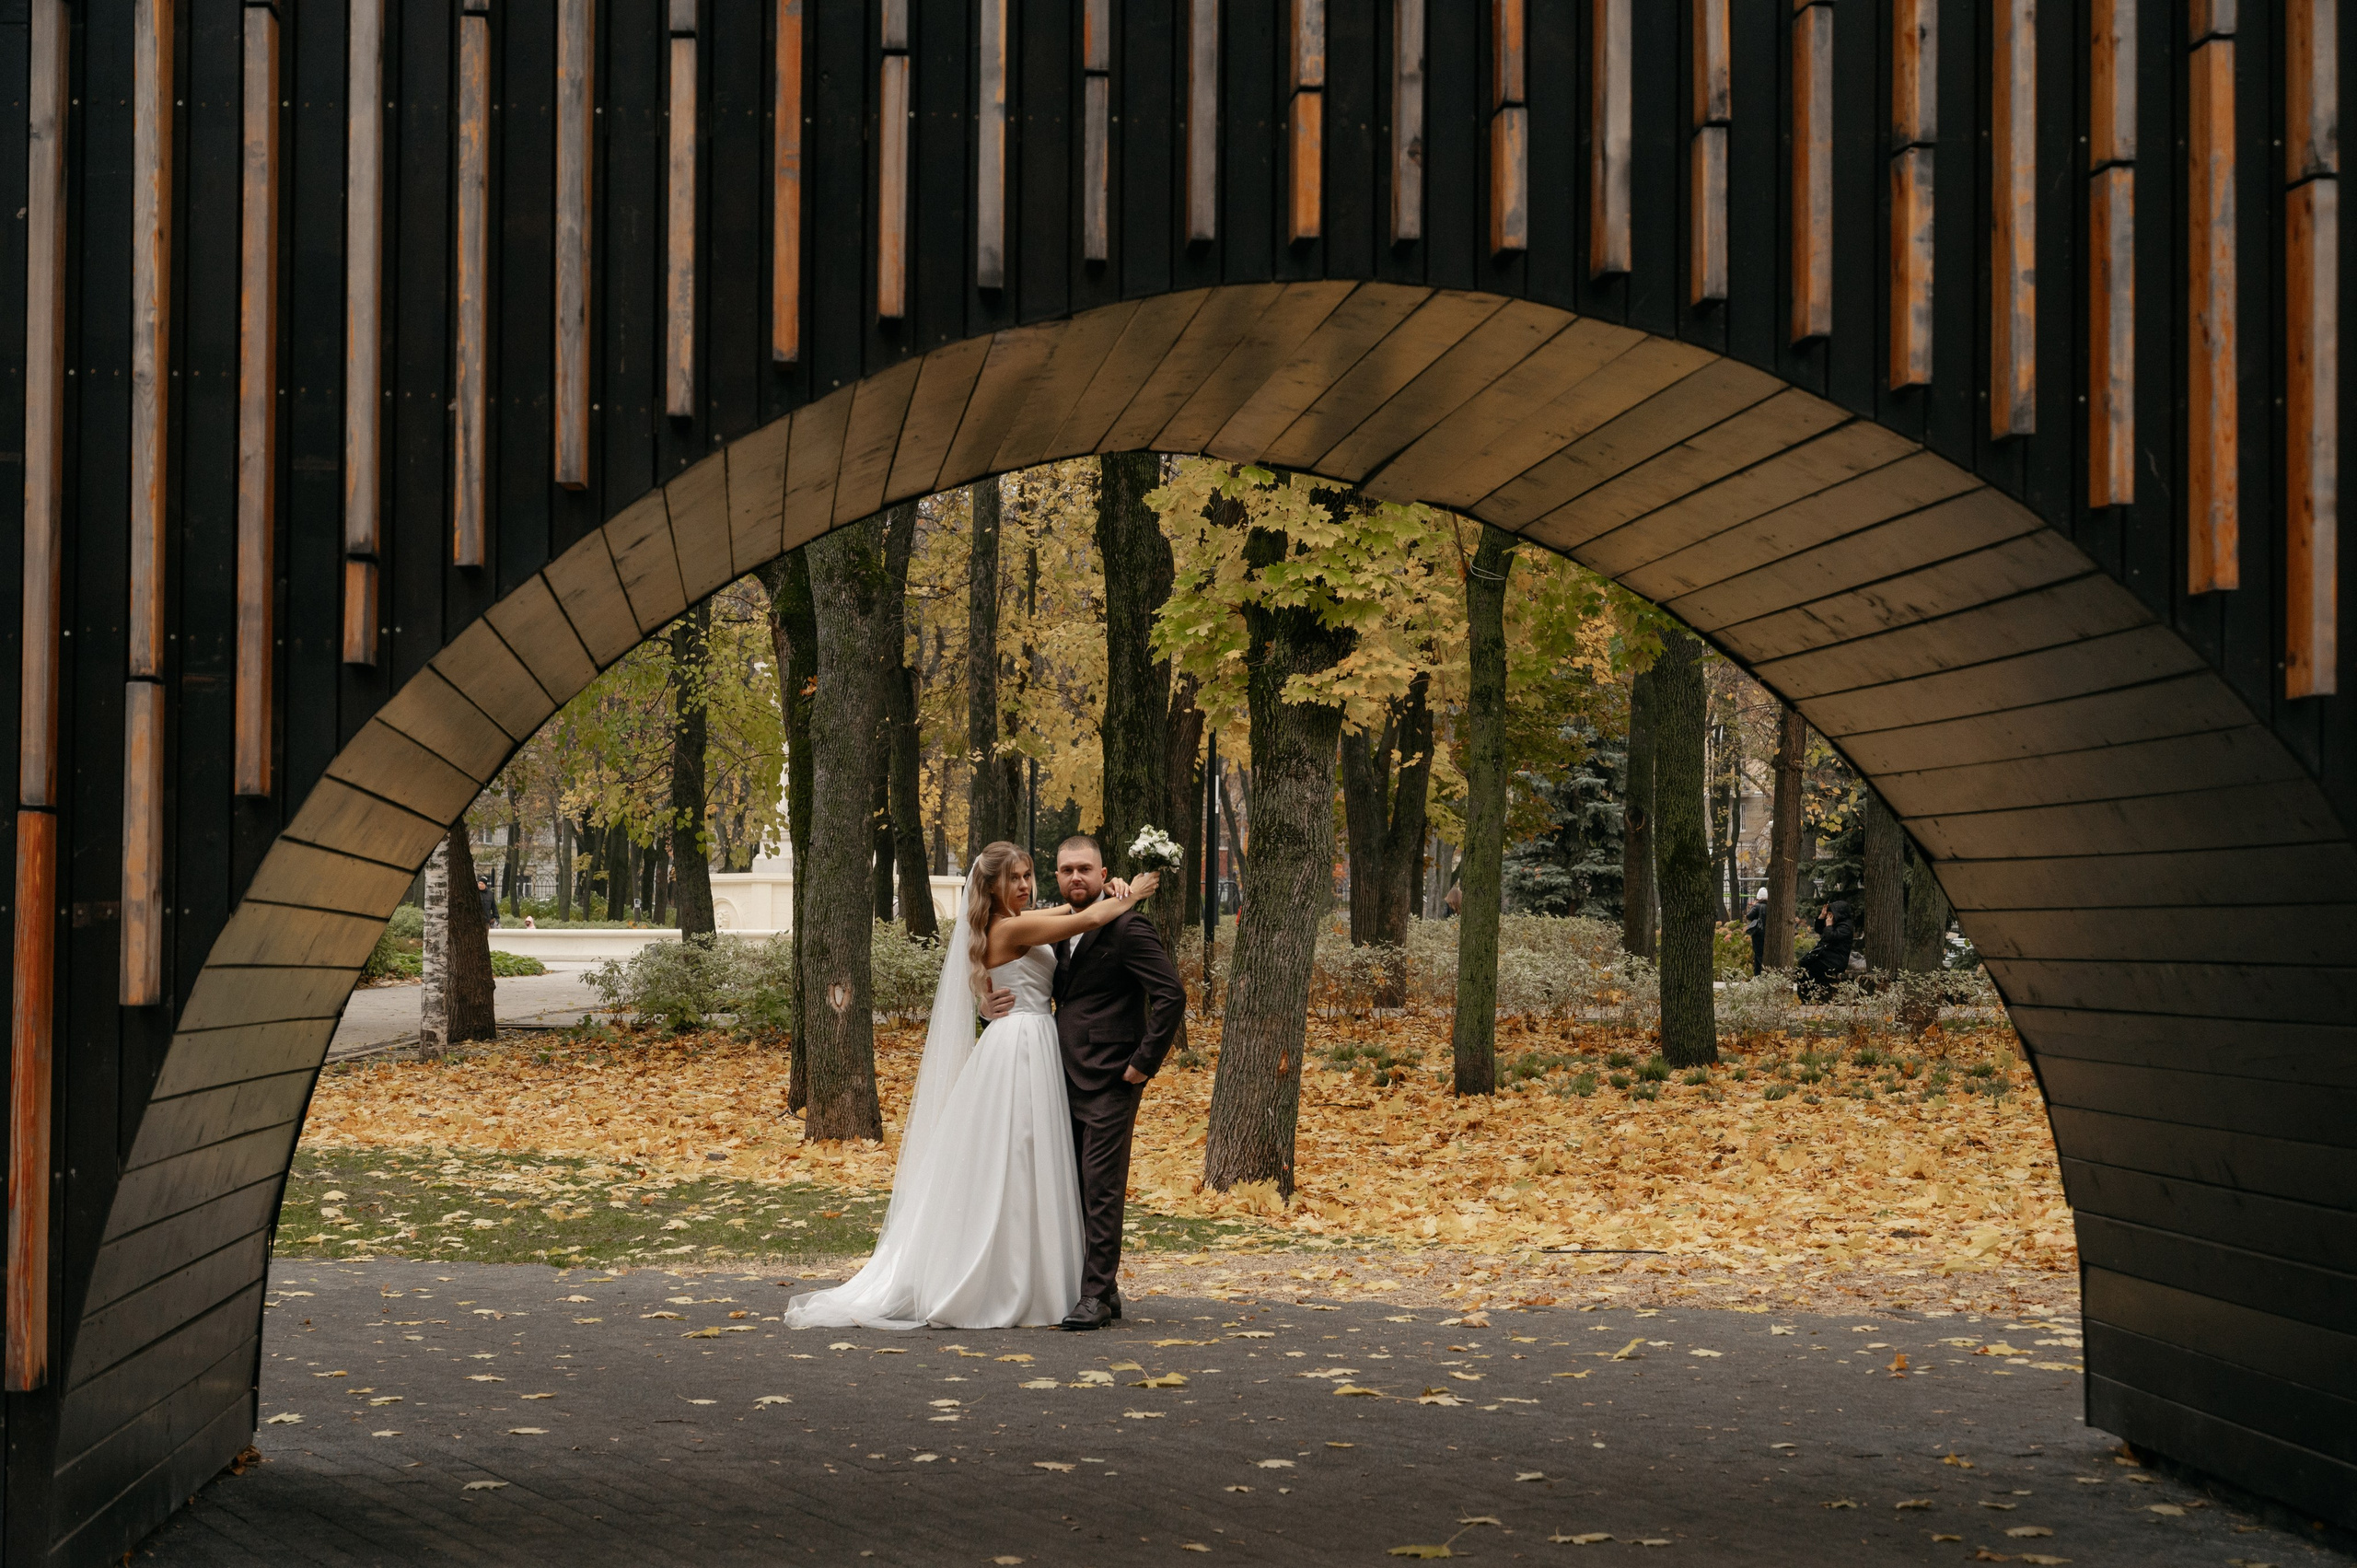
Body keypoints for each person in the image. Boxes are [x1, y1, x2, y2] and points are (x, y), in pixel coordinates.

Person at [782, 842, 1160, 1331]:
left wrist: (1108, 889)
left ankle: (1045, 1277)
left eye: (1028, 875)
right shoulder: (1012, 927)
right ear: (991, 886)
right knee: (1018, 1157)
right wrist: (1137, 891)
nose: (1025, 885)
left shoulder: (1001, 924)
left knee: (1027, 1161)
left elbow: (1068, 912)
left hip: (1023, 1040)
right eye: (1014, 879)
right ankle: (1013, 1280)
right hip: (1023, 1047)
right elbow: (1085, 921)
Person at [1039, 834, 1186, 1330]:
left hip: (1109, 1077)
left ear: (1105, 875)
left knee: (1101, 1189)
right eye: (1066, 870)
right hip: (1059, 1074)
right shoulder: (1060, 924)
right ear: (1056, 876)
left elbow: (1170, 995)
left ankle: (1095, 1298)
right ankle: (1108, 1288)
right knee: (1075, 1187)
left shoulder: (1129, 926)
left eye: (1085, 869)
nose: (1075, 877)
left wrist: (1142, 1064)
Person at [1795, 899, 1854, 1002]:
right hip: (1827, 956)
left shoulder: (1845, 927)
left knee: (1809, 969)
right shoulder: (1835, 923)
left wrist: (1829, 925)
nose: (1829, 916)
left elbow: (1830, 937)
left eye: (1831, 913)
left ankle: (1810, 998)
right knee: (1803, 965)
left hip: (1836, 960)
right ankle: (1806, 996)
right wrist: (1821, 917)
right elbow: (1819, 930)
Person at [1744, 887, 1768, 975]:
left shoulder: (1757, 906)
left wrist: (1754, 906)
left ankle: (1757, 975)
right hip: (1767, 933)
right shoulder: (1770, 906)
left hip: (1758, 933)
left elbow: (1748, 916)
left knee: (1758, 955)